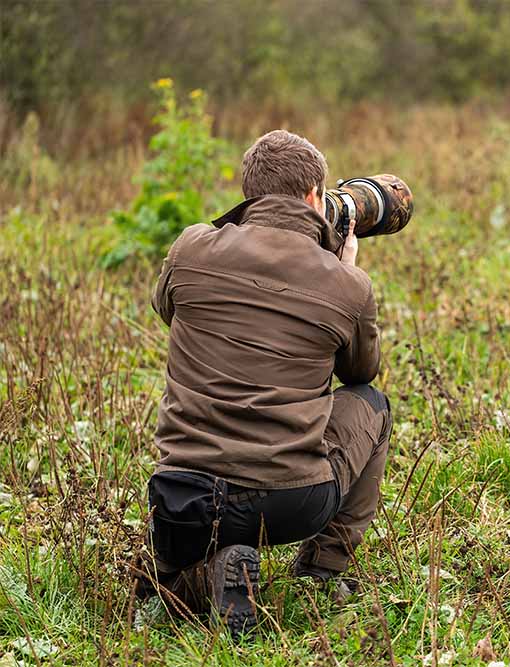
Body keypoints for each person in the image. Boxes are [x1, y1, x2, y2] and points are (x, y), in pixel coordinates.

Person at [135, 130, 392, 639]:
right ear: (317, 197)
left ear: (248, 192)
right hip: (291, 503)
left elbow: (166, 307)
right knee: (372, 405)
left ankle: (200, 570)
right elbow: (360, 374)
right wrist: (344, 273)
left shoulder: (190, 247)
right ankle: (320, 573)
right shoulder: (345, 284)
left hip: (182, 492)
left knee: (176, 569)